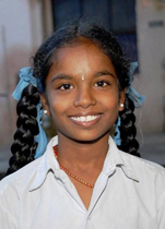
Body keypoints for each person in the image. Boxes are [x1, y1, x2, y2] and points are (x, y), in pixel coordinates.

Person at [0, 21, 165, 229]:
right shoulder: (9, 198)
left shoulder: (157, 188)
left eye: (101, 83)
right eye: (65, 86)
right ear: (45, 102)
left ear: (121, 96)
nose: (85, 100)